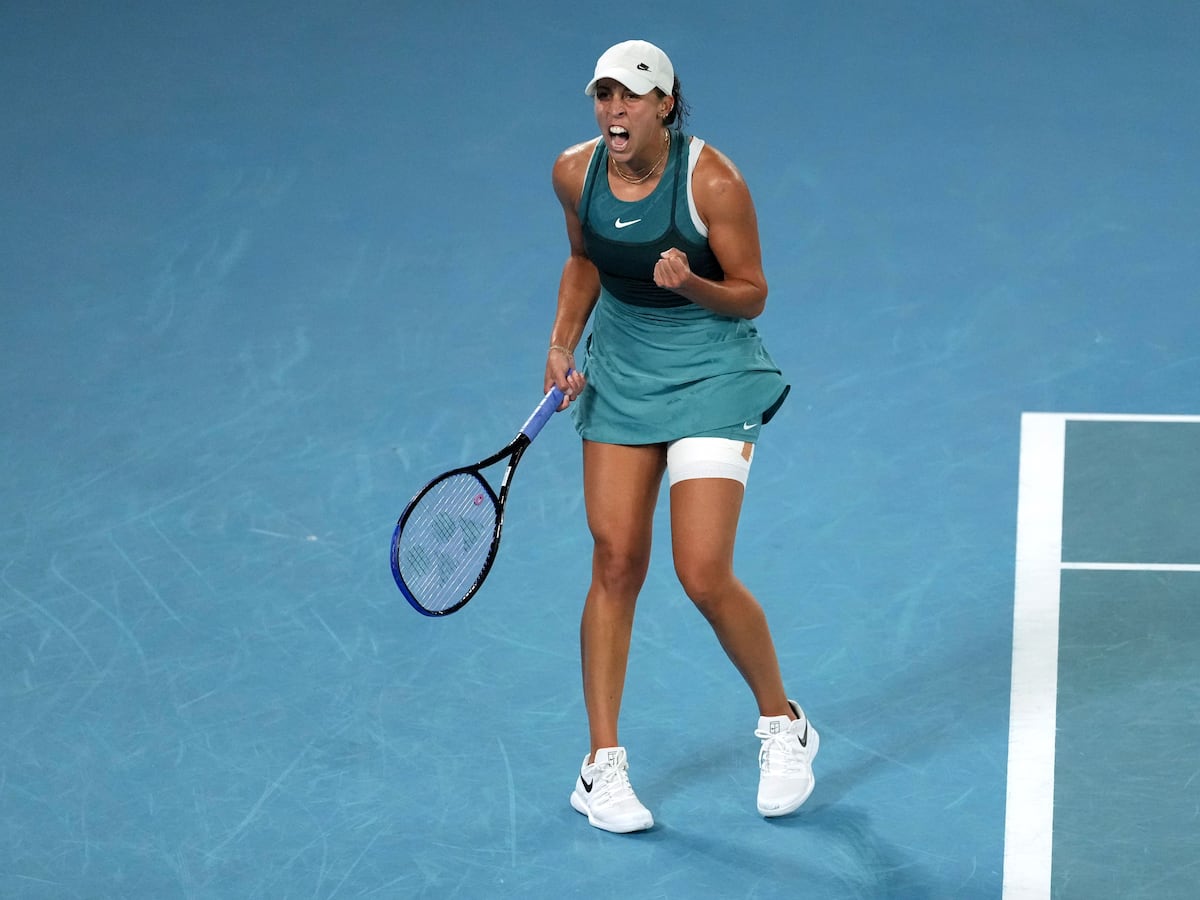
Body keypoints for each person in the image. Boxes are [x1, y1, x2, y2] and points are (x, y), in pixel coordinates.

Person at [544, 39, 818, 834]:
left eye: (629, 96)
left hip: (711, 373)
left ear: (665, 103)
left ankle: (784, 724)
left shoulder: (713, 182)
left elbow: (753, 294)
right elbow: (583, 262)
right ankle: (601, 769)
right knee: (616, 561)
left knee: (701, 571)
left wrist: (690, 281)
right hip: (624, 373)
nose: (614, 110)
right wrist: (563, 342)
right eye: (603, 96)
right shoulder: (574, 172)